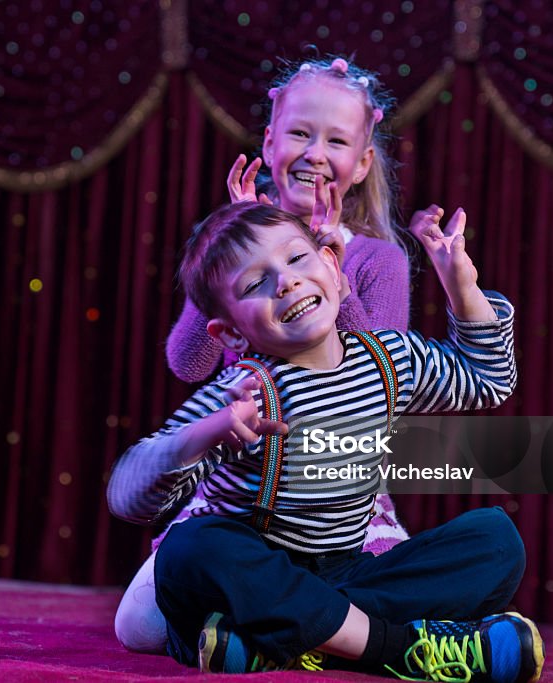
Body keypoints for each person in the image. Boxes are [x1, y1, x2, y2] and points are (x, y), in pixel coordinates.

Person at [108, 202, 544, 682]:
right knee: (189, 548)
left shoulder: (389, 358)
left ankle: (281, 641)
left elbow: (488, 380)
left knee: (496, 541)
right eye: (255, 284)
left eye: (297, 259)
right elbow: (128, 497)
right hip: (257, 577)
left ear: (334, 269)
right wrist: (202, 433)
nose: (286, 282)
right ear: (230, 332)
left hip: (348, 574)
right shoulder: (242, 395)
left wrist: (462, 286)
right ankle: (399, 648)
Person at [114, 56, 412, 654]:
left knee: (413, 579)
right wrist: (229, 246)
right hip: (242, 482)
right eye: (300, 133)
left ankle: (274, 631)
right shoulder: (234, 242)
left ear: (363, 162)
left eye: (336, 140)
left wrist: (335, 272)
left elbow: (381, 381)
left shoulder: (377, 260)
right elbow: (189, 363)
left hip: (334, 492)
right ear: (271, 139)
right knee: (139, 627)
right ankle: (299, 630)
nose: (315, 153)